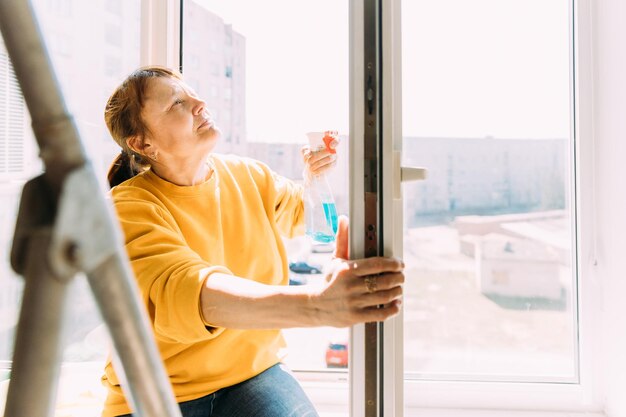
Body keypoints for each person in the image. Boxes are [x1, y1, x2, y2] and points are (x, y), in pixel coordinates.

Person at [102, 65, 405, 417]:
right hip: (154, 393)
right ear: (142, 143)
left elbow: (306, 218)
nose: (200, 103)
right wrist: (317, 305)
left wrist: (313, 178)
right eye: (177, 103)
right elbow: (186, 290)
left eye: (193, 93)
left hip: (251, 375)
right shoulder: (127, 207)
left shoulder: (250, 176)